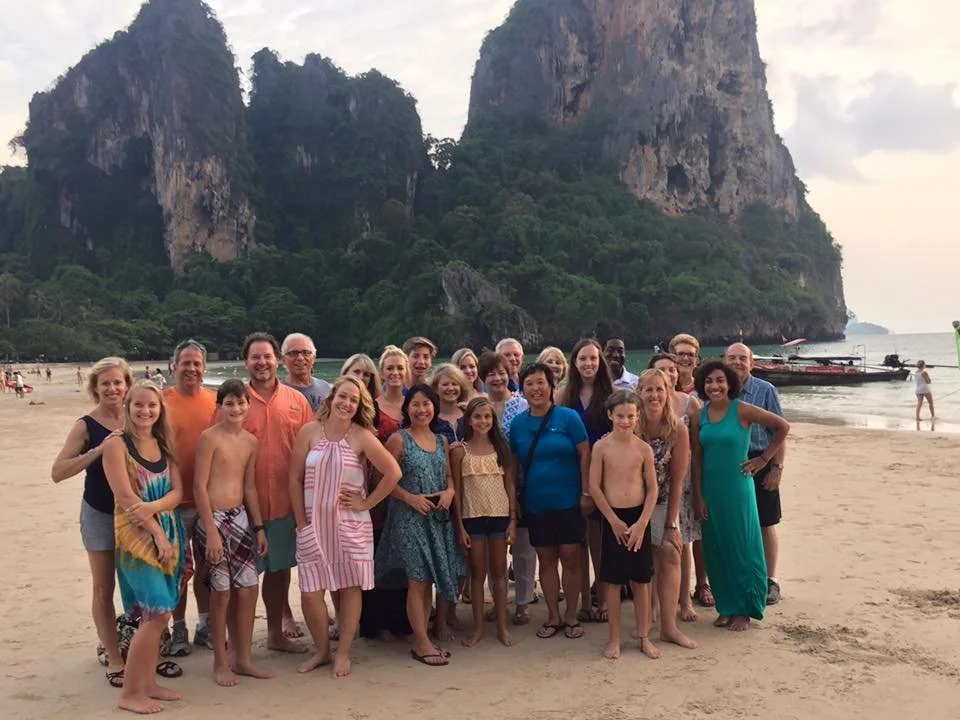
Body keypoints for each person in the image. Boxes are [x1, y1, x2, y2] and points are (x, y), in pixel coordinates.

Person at [289, 375, 403, 678]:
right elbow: (295, 479)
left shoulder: (363, 436)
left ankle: (343, 653)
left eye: (353, 400)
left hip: (350, 525)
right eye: (342, 396)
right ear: (331, 398)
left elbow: (392, 473)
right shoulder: (309, 432)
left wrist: (366, 503)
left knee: (350, 587)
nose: (346, 403)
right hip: (313, 524)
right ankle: (322, 650)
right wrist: (301, 523)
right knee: (311, 590)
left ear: (359, 406)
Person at [101, 381, 189, 714]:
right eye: (138, 405)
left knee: (160, 612)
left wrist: (154, 510)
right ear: (128, 406)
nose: (145, 411)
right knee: (156, 612)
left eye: (152, 406)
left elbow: (178, 493)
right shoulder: (116, 446)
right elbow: (125, 499)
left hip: (167, 530)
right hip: (137, 538)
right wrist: (156, 532)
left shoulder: (163, 443)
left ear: (160, 409)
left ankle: (148, 682)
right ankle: (131, 693)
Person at [51, 357, 132, 686]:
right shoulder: (86, 424)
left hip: (134, 513)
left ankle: (142, 648)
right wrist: (98, 451)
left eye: (118, 382)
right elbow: (58, 472)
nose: (112, 389)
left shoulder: (139, 412)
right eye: (105, 384)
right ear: (95, 388)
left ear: (127, 384)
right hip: (99, 511)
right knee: (103, 587)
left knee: (138, 585)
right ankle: (114, 656)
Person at [692, 360, 789, 631]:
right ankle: (726, 606)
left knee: (742, 547)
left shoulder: (743, 410)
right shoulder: (698, 416)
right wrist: (697, 496)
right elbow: (696, 459)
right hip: (711, 489)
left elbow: (782, 427)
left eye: (720, 381)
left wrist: (764, 459)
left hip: (738, 488)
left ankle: (746, 608)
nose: (715, 386)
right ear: (702, 385)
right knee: (716, 548)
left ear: (730, 384)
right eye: (709, 381)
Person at [375, 384, 467, 666]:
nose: (421, 409)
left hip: (436, 519)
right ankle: (422, 642)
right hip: (408, 519)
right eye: (415, 404)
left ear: (434, 407)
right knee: (418, 580)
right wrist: (411, 499)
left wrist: (450, 492)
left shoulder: (441, 440)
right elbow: (383, 482)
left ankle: (424, 633)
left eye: (426, 404)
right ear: (407, 408)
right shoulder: (399, 439)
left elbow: (449, 477)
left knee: (428, 580)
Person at [193, 379, 273, 687]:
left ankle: (244, 659)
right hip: (212, 519)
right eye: (229, 403)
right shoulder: (208, 438)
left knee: (248, 588)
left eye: (241, 403)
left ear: (248, 406)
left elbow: (250, 486)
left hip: (240, 518)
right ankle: (220, 662)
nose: (236, 409)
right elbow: (199, 487)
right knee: (222, 592)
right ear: (219, 406)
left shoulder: (251, 441)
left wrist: (259, 527)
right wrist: (210, 531)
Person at [241, 332, 314, 652]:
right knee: (241, 579)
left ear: (276, 360)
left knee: (278, 571)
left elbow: (312, 450)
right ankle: (238, 645)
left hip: (286, 502)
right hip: (242, 504)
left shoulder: (296, 401)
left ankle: (274, 634)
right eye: (255, 357)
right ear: (246, 362)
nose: (262, 362)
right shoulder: (234, 399)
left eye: (266, 356)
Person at [509, 363, 591, 640]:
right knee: (545, 558)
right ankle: (553, 615)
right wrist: (512, 503)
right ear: (522, 389)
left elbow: (585, 455)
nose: (536, 388)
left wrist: (586, 492)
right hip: (536, 502)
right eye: (530, 383)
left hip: (569, 500)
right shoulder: (518, 424)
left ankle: (571, 615)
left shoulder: (568, 418)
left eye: (541, 382)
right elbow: (512, 467)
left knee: (570, 557)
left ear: (551, 386)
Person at [588, 390, 659, 659]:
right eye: (620, 416)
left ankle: (643, 636)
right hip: (613, 518)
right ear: (610, 415)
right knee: (614, 582)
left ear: (638, 416)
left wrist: (642, 523)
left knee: (642, 580)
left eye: (630, 416)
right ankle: (614, 638)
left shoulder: (644, 448)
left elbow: (652, 489)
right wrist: (613, 520)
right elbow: (594, 487)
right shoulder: (601, 447)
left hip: (639, 518)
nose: (625, 421)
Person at [635, 370, 698, 649]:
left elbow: (677, 480)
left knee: (671, 554)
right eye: (648, 389)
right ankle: (645, 619)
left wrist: (672, 523)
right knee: (642, 561)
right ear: (639, 393)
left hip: (662, 502)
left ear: (668, 391)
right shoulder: (631, 425)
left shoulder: (678, 430)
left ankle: (669, 627)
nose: (654, 395)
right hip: (632, 504)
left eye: (659, 389)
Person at [163, 339, 218, 655]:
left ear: (205, 368)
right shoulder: (160, 402)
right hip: (173, 502)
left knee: (207, 568)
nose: (192, 369)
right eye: (186, 363)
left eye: (197, 363)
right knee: (177, 571)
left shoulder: (215, 402)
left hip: (209, 501)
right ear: (174, 366)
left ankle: (206, 627)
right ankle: (179, 629)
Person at [724, 342, 788, 606]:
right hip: (727, 465)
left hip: (759, 462)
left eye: (743, 358)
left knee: (765, 523)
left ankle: (770, 581)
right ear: (724, 361)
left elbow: (780, 432)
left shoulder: (765, 390)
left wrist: (774, 466)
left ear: (751, 363)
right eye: (732, 358)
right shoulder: (716, 389)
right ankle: (739, 578)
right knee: (732, 526)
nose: (737, 362)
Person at [452, 396, 517, 648]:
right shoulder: (460, 451)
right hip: (472, 517)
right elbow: (456, 491)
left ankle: (502, 626)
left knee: (499, 574)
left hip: (499, 516)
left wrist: (512, 520)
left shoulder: (502, 449)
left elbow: (509, 485)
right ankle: (478, 627)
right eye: (477, 416)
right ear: (469, 419)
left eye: (487, 416)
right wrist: (460, 527)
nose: (483, 421)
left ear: (493, 420)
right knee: (477, 575)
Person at [359, 346, 412, 641]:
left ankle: (401, 620)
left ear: (406, 372)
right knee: (378, 553)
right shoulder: (371, 407)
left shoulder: (414, 404)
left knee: (402, 554)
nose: (394, 373)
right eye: (389, 368)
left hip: (409, 487)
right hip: (377, 487)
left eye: (399, 368)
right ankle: (373, 622)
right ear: (382, 373)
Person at [559, 339, 613, 624]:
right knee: (576, 542)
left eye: (593, 358)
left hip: (603, 477)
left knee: (599, 543)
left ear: (599, 361)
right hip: (571, 475)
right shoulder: (563, 396)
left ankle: (602, 599)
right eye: (583, 359)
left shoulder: (610, 395)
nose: (588, 364)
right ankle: (582, 600)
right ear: (574, 363)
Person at [648, 353, 701, 622]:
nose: (668, 374)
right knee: (654, 549)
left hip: (681, 482)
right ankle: (655, 604)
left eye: (671, 370)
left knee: (680, 544)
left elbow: (697, 446)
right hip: (648, 493)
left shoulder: (688, 404)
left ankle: (684, 601)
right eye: (661, 370)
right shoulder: (640, 414)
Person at [281, 333, 331, 412]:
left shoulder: (326, 388)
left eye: (306, 352)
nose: (300, 358)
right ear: (283, 359)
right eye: (293, 353)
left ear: (314, 358)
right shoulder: (278, 393)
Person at [430, 363, 470, 444]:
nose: (451, 388)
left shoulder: (469, 414)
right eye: (445, 384)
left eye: (454, 384)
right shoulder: (430, 418)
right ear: (435, 389)